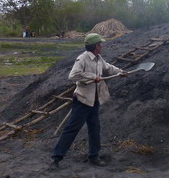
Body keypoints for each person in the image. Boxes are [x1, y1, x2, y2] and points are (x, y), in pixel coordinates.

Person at [50, 33, 126, 169]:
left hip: (94, 100)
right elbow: (73, 75)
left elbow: (107, 67)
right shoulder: (83, 59)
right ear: (96, 46)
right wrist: (92, 76)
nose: (102, 46)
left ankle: (94, 156)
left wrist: (120, 72)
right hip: (83, 100)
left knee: (95, 128)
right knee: (72, 128)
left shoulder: (98, 58)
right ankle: (56, 157)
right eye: (100, 44)